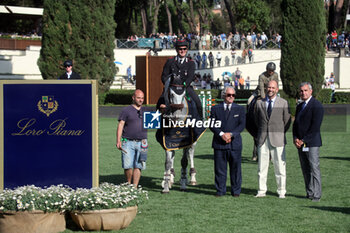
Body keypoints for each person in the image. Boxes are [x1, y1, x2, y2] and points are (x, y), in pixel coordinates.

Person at [254, 80, 291, 198]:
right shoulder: (259, 103)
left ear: (277, 89)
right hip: (263, 139)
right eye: (268, 87)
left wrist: (280, 133)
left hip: (278, 139)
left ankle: (281, 191)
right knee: (262, 167)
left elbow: (287, 121)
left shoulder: (283, 103)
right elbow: (256, 120)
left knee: (280, 167)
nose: (270, 90)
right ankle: (261, 190)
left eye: (273, 88)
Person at [209, 86, 245, 197]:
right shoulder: (215, 109)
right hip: (219, 144)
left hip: (235, 144)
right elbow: (212, 124)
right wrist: (221, 134)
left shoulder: (240, 109)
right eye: (229, 95)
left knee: (236, 169)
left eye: (233, 95)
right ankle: (220, 190)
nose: (231, 97)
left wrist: (231, 134)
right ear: (224, 95)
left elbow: (242, 125)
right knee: (220, 169)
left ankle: (236, 191)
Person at [293, 82, 324, 202]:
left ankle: (317, 194)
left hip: (312, 143)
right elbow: (296, 125)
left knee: (314, 168)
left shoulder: (317, 105)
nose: (303, 93)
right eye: (301, 91)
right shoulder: (299, 106)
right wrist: (295, 138)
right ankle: (309, 192)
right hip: (300, 143)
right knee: (305, 169)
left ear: (311, 91)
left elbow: (315, 127)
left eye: (305, 90)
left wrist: (303, 140)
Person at [159, 39, 203, 118]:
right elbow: (164, 76)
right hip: (171, 87)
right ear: (176, 49)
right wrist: (168, 85)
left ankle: (199, 122)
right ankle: (159, 124)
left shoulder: (191, 63)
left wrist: (183, 85)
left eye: (184, 49)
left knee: (197, 102)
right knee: (160, 102)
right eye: (180, 49)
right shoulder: (170, 61)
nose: (182, 51)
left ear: (187, 50)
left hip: (185, 87)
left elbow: (190, 77)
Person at [116, 89, 148, 187]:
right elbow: (121, 125)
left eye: (142, 98)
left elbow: (155, 121)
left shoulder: (146, 111)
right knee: (127, 166)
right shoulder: (126, 110)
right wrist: (118, 140)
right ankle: (129, 183)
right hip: (127, 142)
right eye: (138, 98)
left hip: (142, 142)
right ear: (133, 98)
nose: (140, 100)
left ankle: (134, 187)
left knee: (139, 165)